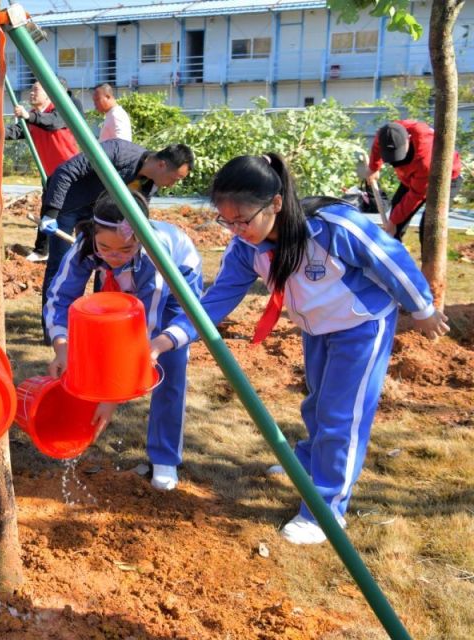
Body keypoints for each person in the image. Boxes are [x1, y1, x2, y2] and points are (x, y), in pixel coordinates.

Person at [149, 153, 449, 545]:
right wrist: (165, 339)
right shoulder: (246, 249)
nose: (237, 229)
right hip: (317, 329)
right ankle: (308, 465)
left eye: (243, 220)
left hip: (361, 325)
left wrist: (422, 307)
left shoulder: (331, 228)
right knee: (316, 405)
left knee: (342, 416)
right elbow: (213, 302)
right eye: (227, 221)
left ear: (274, 203)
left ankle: (326, 510)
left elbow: (389, 258)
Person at [45, 191, 203, 490]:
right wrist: (62, 347)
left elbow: (144, 334)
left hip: (173, 294)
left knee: (167, 366)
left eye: (124, 249)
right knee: (101, 341)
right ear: (93, 235)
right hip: (126, 288)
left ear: (140, 241)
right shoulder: (86, 246)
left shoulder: (157, 257)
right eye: (105, 247)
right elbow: (60, 298)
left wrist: (112, 398)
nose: (113, 256)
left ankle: (165, 457)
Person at [38, 140, 194, 344]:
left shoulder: (148, 186)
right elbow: (65, 172)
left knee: (106, 265)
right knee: (61, 266)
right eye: (174, 178)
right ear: (162, 165)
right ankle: (53, 332)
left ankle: (100, 320)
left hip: (107, 222)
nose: (172, 185)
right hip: (70, 206)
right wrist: (51, 212)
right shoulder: (117, 152)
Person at [6, 80, 80, 262]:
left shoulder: (62, 108)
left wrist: (28, 117)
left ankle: (77, 250)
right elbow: (17, 131)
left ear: (48, 93)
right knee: (47, 210)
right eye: (31, 89)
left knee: (71, 213)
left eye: (36, 90)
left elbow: (53, 123)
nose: (31, 93)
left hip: (72, 173)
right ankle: (42, 251)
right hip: (50, 173)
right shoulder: (34, 115)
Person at [367, 120, 462, 241]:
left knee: (430, 223)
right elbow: (377, 146)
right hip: (411, 178)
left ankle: (429, 259)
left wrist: (393, 221)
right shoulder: (387, 134)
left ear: (408, 139)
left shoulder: (425, 159)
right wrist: (374, 168)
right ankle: (394, 256)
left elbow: (415, 195)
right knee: (395, 220)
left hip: (445, 179)